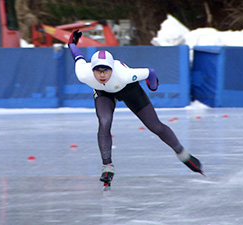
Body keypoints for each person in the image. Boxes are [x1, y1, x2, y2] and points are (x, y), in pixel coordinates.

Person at [68, 30, 203, 184]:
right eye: (98, 71)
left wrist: (153, 86)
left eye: (106, 70)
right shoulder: (83, 73)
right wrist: (71, 43)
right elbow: (77, 56)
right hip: (103, 92)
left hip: (129, 89)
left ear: (112, 69)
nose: (102, 75)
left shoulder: (125, 74)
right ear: (92, 71)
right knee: (104, 123)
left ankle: (183, 154)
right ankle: (107, 166)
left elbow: (150, 72)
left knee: (155, 126)